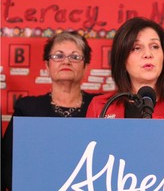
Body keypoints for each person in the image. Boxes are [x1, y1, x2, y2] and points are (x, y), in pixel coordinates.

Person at [2, 31, 100, 190]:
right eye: (58, 56)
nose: (66, 62)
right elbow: (8, 163)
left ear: (86, 67)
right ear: (47, 65)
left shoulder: (100, 106)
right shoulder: (27, 109)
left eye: (75, 57)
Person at [86, 17, 164, 119]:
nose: (148, 54)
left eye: (155, 46)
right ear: (122, 59)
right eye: (137, 48)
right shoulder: (100, 107)